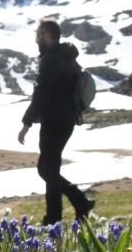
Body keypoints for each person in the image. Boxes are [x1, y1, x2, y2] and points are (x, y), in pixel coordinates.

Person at [17, 18, 94, 225]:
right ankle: (77, 203)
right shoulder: (65, 57)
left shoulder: (51, 59)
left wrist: (26, 123)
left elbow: (42, 94)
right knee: (48, 169)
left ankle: (55, 219)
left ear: (47, 36)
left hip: (54, 120)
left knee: (48, 170)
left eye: (39, 35)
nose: (36, 40)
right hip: (66, 120)